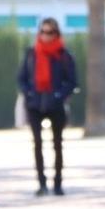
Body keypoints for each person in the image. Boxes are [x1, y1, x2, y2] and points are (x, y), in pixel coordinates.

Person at [17, 18, 77, 196]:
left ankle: (58, 183)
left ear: (56, 34)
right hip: (35, 104)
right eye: (42, 32)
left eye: (49, 32)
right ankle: (41, 183)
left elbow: (72, 81)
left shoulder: (64, 55)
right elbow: (21, 78)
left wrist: (59, 95)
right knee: (37, 144)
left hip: (55, 104)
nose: (45, 36)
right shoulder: (31, 54)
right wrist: (29, 93)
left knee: (57, 145)